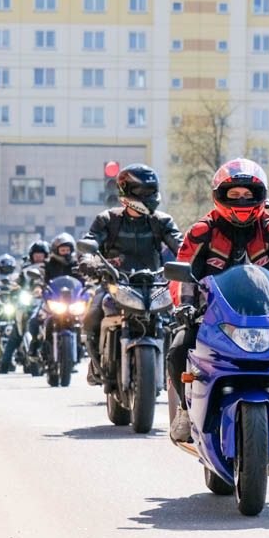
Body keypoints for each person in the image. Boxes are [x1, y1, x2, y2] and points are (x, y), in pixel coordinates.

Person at [166, 158, 269, 442]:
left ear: (260, 197)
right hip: (211, 313)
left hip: (265, 316)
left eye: (248, 195)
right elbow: (182, 272)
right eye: (234, 194)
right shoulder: (201, 231)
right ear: (221, 195)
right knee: (178, 348)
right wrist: (184, 306)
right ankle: (183, 409)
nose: (242, 200)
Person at [80, 164, 182, 383]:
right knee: (92, 315)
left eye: (152, 191)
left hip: (153, 285)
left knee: (179, 318)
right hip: (116, 282)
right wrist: (88, 260)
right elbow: (91, 240)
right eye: (143, 192)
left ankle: (174, 371)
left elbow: (181, 247)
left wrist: (192, 262)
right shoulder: (107, 219)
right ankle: (96, 363)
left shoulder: (162, 221)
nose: (149, 196)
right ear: (126, 192)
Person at [26, 233, 81, 357]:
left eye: (68, 250)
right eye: (63, 250)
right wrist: (38, 288)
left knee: (88, 320)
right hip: (53, 301)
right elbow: (40, 277)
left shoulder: (75, 264)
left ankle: (85, 347)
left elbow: (83, 279)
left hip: (72, 302)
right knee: (34, 320)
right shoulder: (48, 264)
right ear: (56, 251)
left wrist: (89, 288)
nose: (66, 252)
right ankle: (34, 344)